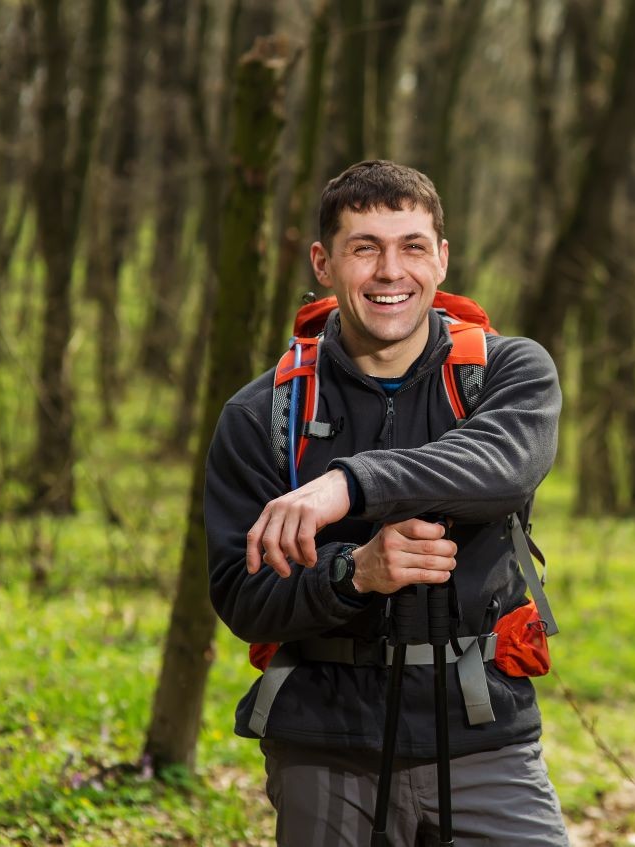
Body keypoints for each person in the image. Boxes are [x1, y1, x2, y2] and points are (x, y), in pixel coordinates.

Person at [205, 160, 568, 846]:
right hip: (324, 741)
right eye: (363, 247)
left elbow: (503, 467)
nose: (389, 271)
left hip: (483, 735)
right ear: (323, 262)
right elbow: (240, 595)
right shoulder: (264, 413)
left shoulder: (508, 371)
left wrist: (345, 483)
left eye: (411, 246)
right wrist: (354, 573)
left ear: (441, 258)